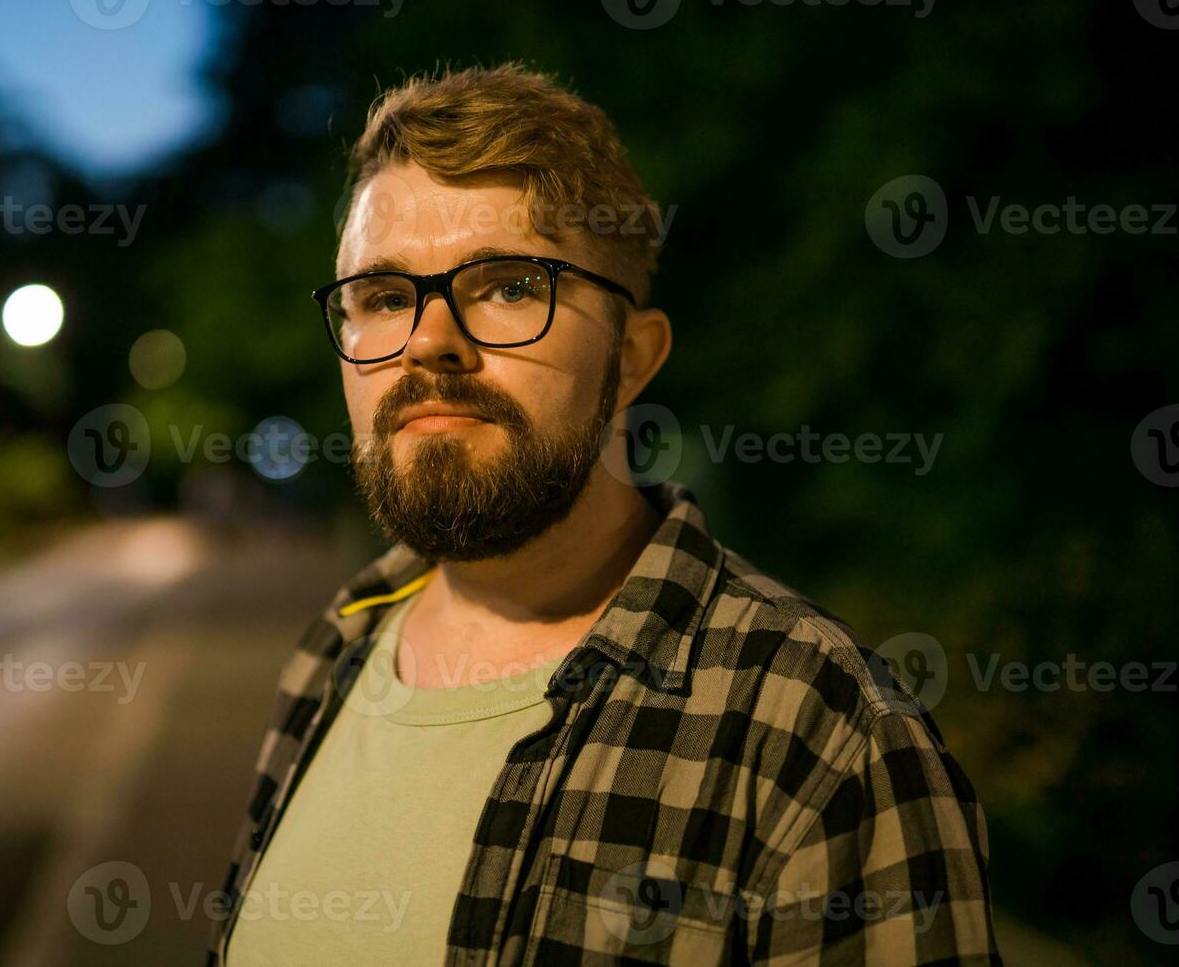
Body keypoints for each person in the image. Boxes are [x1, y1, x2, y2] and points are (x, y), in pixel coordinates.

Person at [212, 63, 999, 966]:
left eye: (510, 286)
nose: (429, 342)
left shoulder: (817, 734)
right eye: (385, 299)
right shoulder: (332, 652)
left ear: (632, 358)